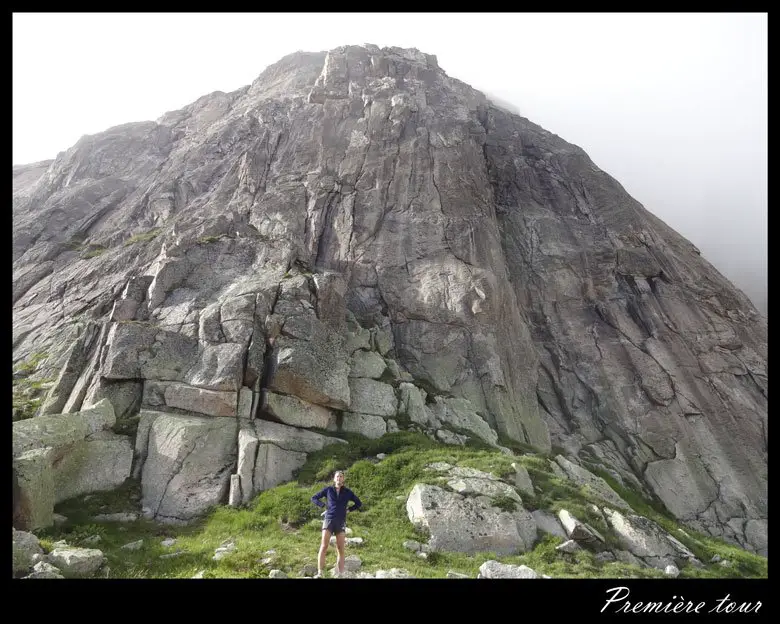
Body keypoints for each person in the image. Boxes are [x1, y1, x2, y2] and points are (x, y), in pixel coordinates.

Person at [310, 470, 362, 577]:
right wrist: (323, 506)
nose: (339, 478)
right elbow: (314, 498)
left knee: (340, 548)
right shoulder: (328, 490)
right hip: (328, 519)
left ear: (343, 479)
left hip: (340, 521)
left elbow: (358, 503)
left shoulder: (348, 492)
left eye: (341, 476)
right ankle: (320, 573)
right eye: (337, 476)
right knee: (324, 546)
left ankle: (340, 574)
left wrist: (349, 510)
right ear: (334, 479)